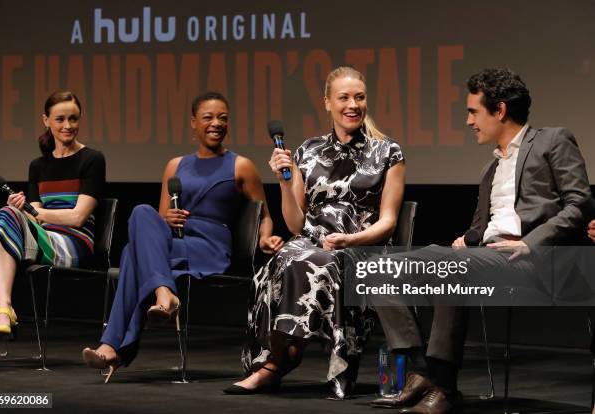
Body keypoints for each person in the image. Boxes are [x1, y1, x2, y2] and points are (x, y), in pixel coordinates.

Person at [370, 68, 592, 413]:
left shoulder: (552, 141)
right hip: (485, 258)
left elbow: (580, 204)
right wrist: (467, 238)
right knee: (378, 268)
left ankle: (444, 384)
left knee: (452, 265)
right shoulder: (490, 170)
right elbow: (481, 229)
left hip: (533, 260)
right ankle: (420, 370)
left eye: (473, 111)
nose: (469, 121)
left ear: (499, 110)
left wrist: (531, 242)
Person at [225, 66, 405, 398]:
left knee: (310, 261)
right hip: (311, 241)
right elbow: (295, 223)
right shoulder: (309, 151)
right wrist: (284, 179)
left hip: (360, 247)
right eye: (344, 97)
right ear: (327, 103)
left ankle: (278, 363)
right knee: (284, 259)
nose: (353, 105)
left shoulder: (387, 152)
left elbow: (388, 222)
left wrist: (350, 239)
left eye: (360, 97)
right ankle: (278, 359)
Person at [82, 91, 283, 382]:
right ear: (193, 123)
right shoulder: (175, 165)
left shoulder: (241, 165)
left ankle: (113, 345)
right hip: (176, 241)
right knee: (141, 212)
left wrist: (265, 238)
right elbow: (160, 219)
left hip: (209, 246)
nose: (216, 123)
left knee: (131, 256)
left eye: (223, 118)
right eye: (208, 117)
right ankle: (165, 295)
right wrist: (167, 218)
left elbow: (264, 215)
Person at [0, 91, 106, 368]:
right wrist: (23, 208)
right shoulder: (38, 166)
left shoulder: (92, 159)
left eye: (73, 119)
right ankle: (3, 308)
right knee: (4, 224)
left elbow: (77, 217)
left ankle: (2, 313)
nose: (67, 126)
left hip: (75, 244)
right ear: (46, 121)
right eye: (60, 119)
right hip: (43, 239)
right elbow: (36, 219)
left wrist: (31, 210)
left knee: (1, 231)